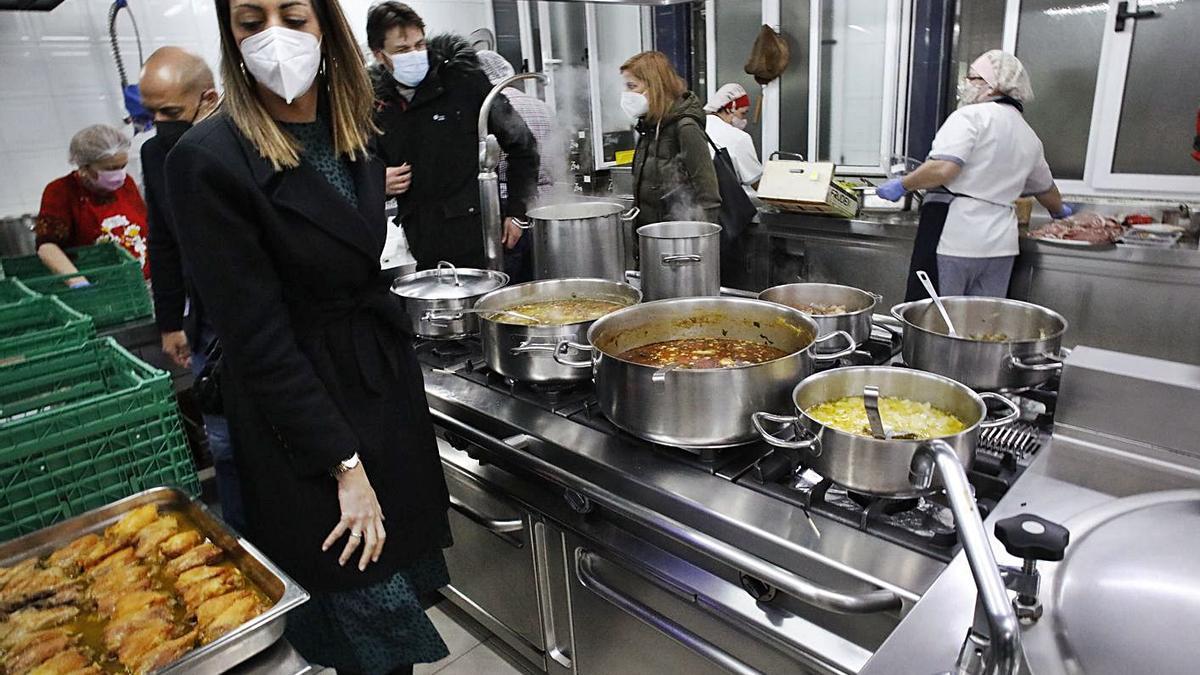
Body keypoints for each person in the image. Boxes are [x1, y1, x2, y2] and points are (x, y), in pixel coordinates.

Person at [164, 1, 451, 673]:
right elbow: (257, 339)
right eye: (250, 20)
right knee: (365, 622)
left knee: (395, 623)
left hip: (378, 392)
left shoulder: (350, 128)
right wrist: (344, 466)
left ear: (326, 25)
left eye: (294, 17)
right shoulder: (207, 159)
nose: (275, 38)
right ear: (230, 39)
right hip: (307, 430)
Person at [138, 47, 246, 534]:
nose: (159, 124)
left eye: (171, 113)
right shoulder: (156, 152)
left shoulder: (243, 139)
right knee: (224, 444)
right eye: (151, 113)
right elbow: (161, 240)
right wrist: (170, 322)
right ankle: (248, 539)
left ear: (209, 99)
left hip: (258, 314)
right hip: (205, 325)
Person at [879, 50, 1070, 300]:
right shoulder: (1029, 135)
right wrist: (1061, 213)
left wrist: (903, 185)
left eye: (972, 78)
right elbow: (1047, 192)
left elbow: (943, 169)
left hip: (955, 236)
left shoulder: (970, 117)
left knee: (935, 319)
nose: (966, 85)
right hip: (1001, 245)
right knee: (982, 325)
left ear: (992, 87)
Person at [366, 1, 539, 270]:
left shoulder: (464, 80)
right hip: (422, 242)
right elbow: (360, 169)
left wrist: (518, 214)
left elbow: (522, 144)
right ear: (379, 55)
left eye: (419, 45)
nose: (415, 54)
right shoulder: (376, 104)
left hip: (480, 239)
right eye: (402, 50)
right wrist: (378, 183)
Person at [476, 48, 559, 282]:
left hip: (509, 207)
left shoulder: (491, 109)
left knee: (511, 282)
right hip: (546, 203)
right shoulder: (542, 106)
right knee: (543, 278)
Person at [35, 124, 149, 284]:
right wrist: (79, 283)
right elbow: (47, 247)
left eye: (122, 166)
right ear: (84, 167)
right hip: (103, 287)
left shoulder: (127, 184)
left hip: (144, 282)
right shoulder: (61, 192)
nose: (119, 174)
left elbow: (146, 227)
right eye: (110, 169)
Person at [622, 51, 721, 228]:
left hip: (678, 235)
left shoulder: (685, 126)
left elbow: (708, 193)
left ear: (655, 86)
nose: (627, 94)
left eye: (632, 86)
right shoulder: (649, 126)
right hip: (651, 233)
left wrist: (703, 241)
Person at [703, 83, 762, 201]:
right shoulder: (739, 138)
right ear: (730, 108)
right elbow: (757, 183)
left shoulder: (697, 126)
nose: (744, 120)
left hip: (692, 205)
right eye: (743, 113)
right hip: (724, 207)